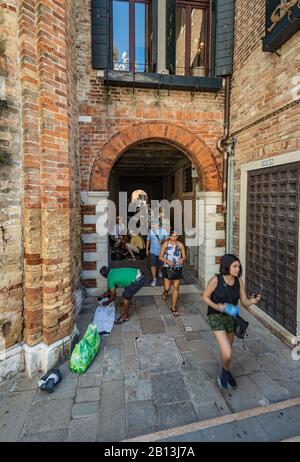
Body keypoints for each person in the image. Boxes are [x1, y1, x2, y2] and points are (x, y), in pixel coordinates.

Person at [202, 254, 262, 390]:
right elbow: (204, 296)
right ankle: (225, 373)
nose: (237, 269)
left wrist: (253, 301)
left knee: (227, 350)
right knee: (227, 352)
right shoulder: (216, 280)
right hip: (216, 315)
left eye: (238, 266)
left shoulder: (238, 281)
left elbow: (244, 301)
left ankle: (225, 372)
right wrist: (217, 306)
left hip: (231, 316)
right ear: (226, 266)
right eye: (234, 266)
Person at [159, 230, 186, 316]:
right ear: (170, 236)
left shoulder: (180, 245)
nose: (175, 238)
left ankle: (173, 307)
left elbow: (184, 256)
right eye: (173, 236)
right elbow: (160, 257)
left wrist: (182, 259)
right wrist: (167, 261)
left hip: (178, 268)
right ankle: (165, 292)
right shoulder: (165, 244)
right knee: (167, 287)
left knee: (176, 287)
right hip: (167, 268)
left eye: (176, 236)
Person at [146, 220, 169, 287]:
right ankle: (154, 278)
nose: (152, 226)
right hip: (152, 251)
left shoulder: (163, 231)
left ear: (158, 225)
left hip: (161, 251)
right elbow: (148, 240)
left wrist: (163, 240)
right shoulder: (150, 231)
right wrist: (147, 250)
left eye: (154, 224)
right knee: (152, 265)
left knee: (161, 264)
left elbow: (167, 238)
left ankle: (159, 270)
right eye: (151, 225)